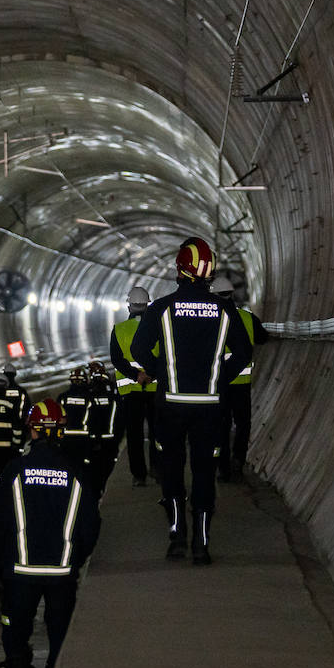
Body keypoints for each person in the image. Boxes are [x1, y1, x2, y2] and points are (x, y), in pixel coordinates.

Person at [131, 237, 252, 563]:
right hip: (210, 407)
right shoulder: (225, 310)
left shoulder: (162, 308)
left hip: (170, 404)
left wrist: (163, 373)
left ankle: (176, 536)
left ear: (179, 269)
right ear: (209, 272)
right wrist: (219, 378)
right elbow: (243, 352)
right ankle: (201, 542)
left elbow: (138, 350)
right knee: (203, 471)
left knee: (171, 469)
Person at [0, 399, 100, 668]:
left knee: (15, 633)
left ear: (32, 431)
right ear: (62, 431)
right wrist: (75, 559)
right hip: (61, 574)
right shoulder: (77, 472)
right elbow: (91, 526)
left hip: (20, 574)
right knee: (60, 634)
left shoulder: (14, 471)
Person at [208, 273, 271, 481]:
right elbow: (263, 338)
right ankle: (238, 460)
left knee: (220, 425)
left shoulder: (208, 321)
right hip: (241, 383)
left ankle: (222, 467)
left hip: (218, 384)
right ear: (232, 295)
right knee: (243, 423)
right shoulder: (247, 317)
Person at [109, 285, 159, 486]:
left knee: (135, 436)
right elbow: (165, 356)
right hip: (155, 389)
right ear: (148, 306)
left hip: (131, 391)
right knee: (158, 433)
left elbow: (116, 360)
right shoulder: (158, 329)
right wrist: (151, 374)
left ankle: (139, 476)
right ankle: (158, 470)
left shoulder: (119, 329)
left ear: (129, 306)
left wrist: (136, 375)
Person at [85, 361, 120, 495]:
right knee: (108, 465)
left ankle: (99, 491)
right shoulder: (112, 387)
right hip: (111, 436)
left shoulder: (90, 389)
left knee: (96, 468)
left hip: (96, 437)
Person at [57, 367, 93, 471]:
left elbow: (58, 418)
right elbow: (92, 419)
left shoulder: (63, 397)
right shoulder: (89, 397)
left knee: (68, 466)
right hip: (84, 438)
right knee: (84, 468)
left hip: (66, 438)